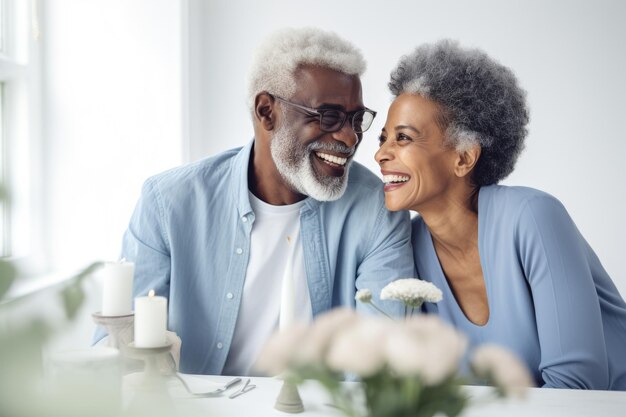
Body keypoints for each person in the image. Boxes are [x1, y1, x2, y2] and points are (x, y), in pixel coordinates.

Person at [95, 27, 415, 376]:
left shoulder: (377, 208)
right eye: (329, 116)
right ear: (267, 112)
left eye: (356, 120)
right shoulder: (169, 204)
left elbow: (380, 363)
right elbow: (113, 353)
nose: (350, 136)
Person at [375, 39, 626, 390]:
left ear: (464, 158)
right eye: (382, 139)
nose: (381, 156)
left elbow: (577, 387)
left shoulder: (533, 218)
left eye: (403, 138)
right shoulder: (407, 248)